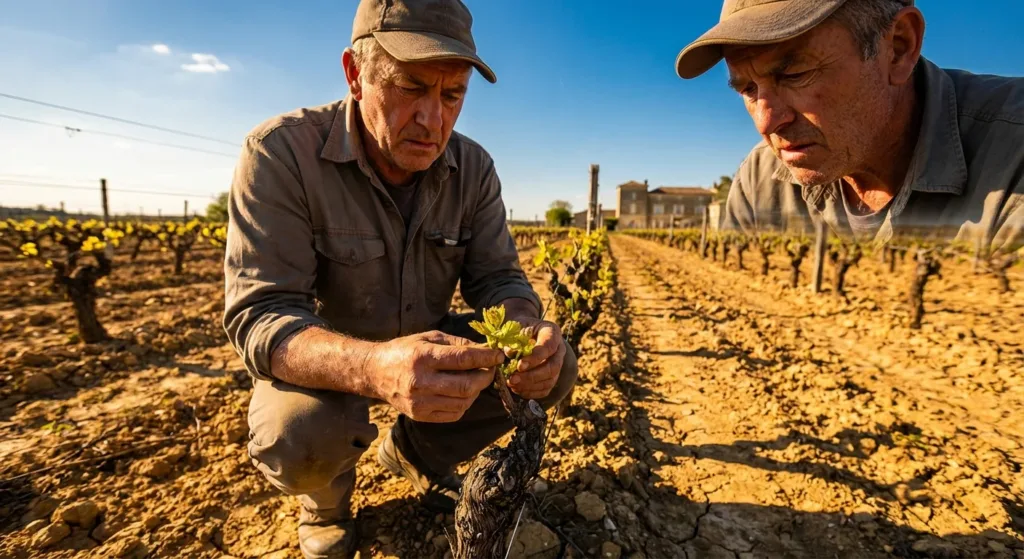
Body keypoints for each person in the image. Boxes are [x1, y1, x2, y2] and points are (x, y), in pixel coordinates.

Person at [221, 0, 577, 556]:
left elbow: (500, 279)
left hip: (428, 341)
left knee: (552, 372)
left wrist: (524, 330)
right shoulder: (280, 153)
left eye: (452, 94)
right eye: (410, 87)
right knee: (299, 435)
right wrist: (371, 367)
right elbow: (260, 315)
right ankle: (326, 503)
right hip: (329, 363)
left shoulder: (474, 168)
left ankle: (415, 454)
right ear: (355, 74)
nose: (433, 119)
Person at [675, 0, 1023, 256]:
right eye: (748, 90)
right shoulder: (759, 180)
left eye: (795, 75)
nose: (766, 122)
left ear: (898, 48)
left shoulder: (1013, 155)